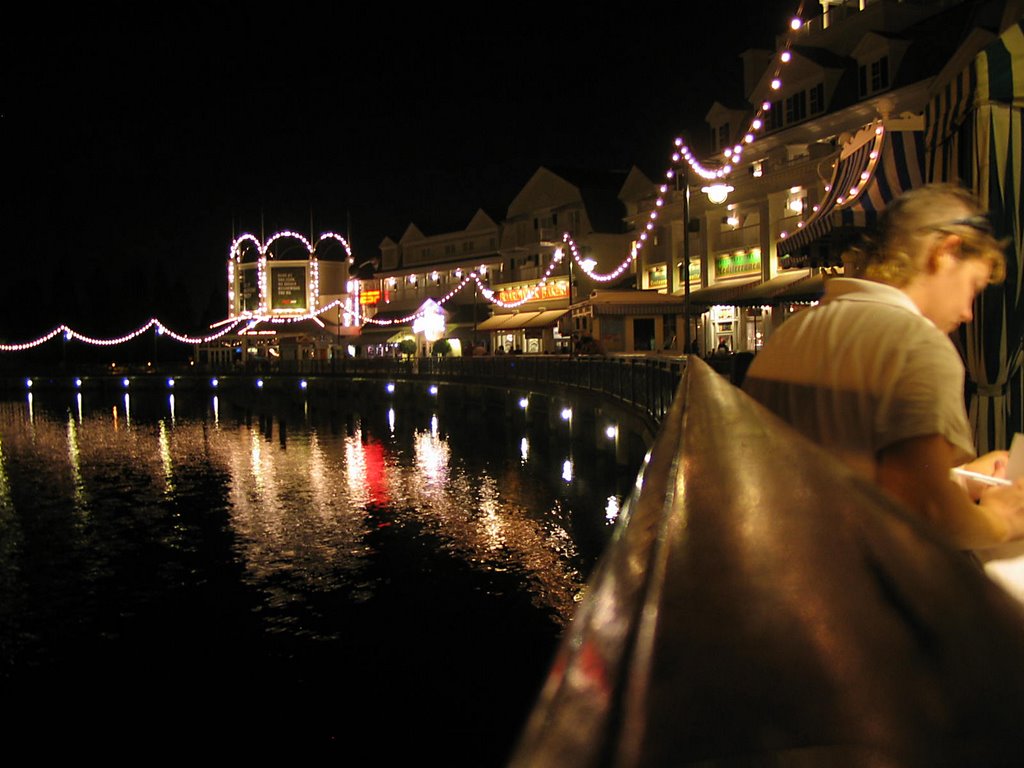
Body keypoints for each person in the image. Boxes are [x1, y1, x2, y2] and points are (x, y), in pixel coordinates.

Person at [742, 183, 1024, 552]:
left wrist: (959, 479)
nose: (968, 313)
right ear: (947, 251)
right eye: (972, 287)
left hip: (783, 564)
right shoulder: (917, 346)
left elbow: (851, 474)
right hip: (854, 588)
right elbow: (931, 513)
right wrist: (1001, 518)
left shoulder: (790, 334)